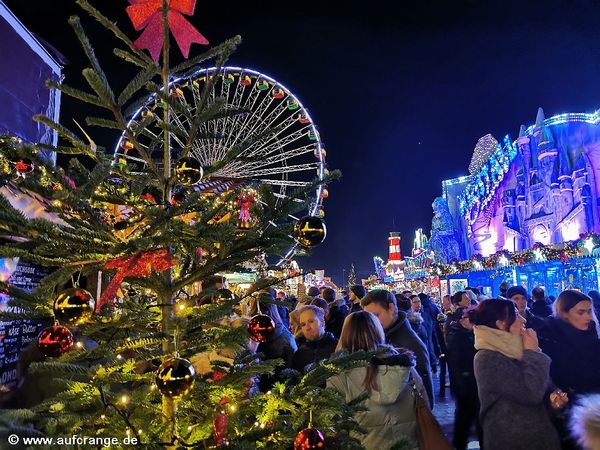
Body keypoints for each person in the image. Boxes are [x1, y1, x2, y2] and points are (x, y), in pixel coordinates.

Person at [468, 298, 561, 450]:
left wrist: (554, 400)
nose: (523, 319)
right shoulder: (487, 358)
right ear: (501, 324)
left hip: (539, 437)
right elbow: (531, 393)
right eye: (516, 315)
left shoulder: (518, 348)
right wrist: (532, 353)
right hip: (513, 441)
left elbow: (541, 388)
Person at [327, 311, 427, 450]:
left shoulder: (339, 376)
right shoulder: (405, 368)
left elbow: (334, 427)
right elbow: (424, 406)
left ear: (345, 336)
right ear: (378, 332)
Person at [538, 290, 600, 448]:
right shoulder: (549, 339)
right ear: (565, 313)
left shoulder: (592, 336)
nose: (587, 317)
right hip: (569, 415)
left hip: (594, 411)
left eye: (589, 311)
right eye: (581, 312)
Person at [361, 289, 434, 406]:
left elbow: (425, 393)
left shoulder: (410, 344)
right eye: (369, 318)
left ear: (391, 308)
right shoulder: (380, 335)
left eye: (376, 316)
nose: (372, 322)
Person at [445, 307, 482, 450]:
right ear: (462, 320)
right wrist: (461, 386)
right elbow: (455, 364)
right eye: (469, 319)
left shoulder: (467, 333)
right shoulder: (457, 336)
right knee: (464, 420)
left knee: (466, 420)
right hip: (465, 386)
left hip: (470, 384)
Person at [291, 305, 337, 372]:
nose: (307, 328)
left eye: (311, 321)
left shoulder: (337, 348)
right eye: (303, 325)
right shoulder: (299, 354)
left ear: (322, 323)